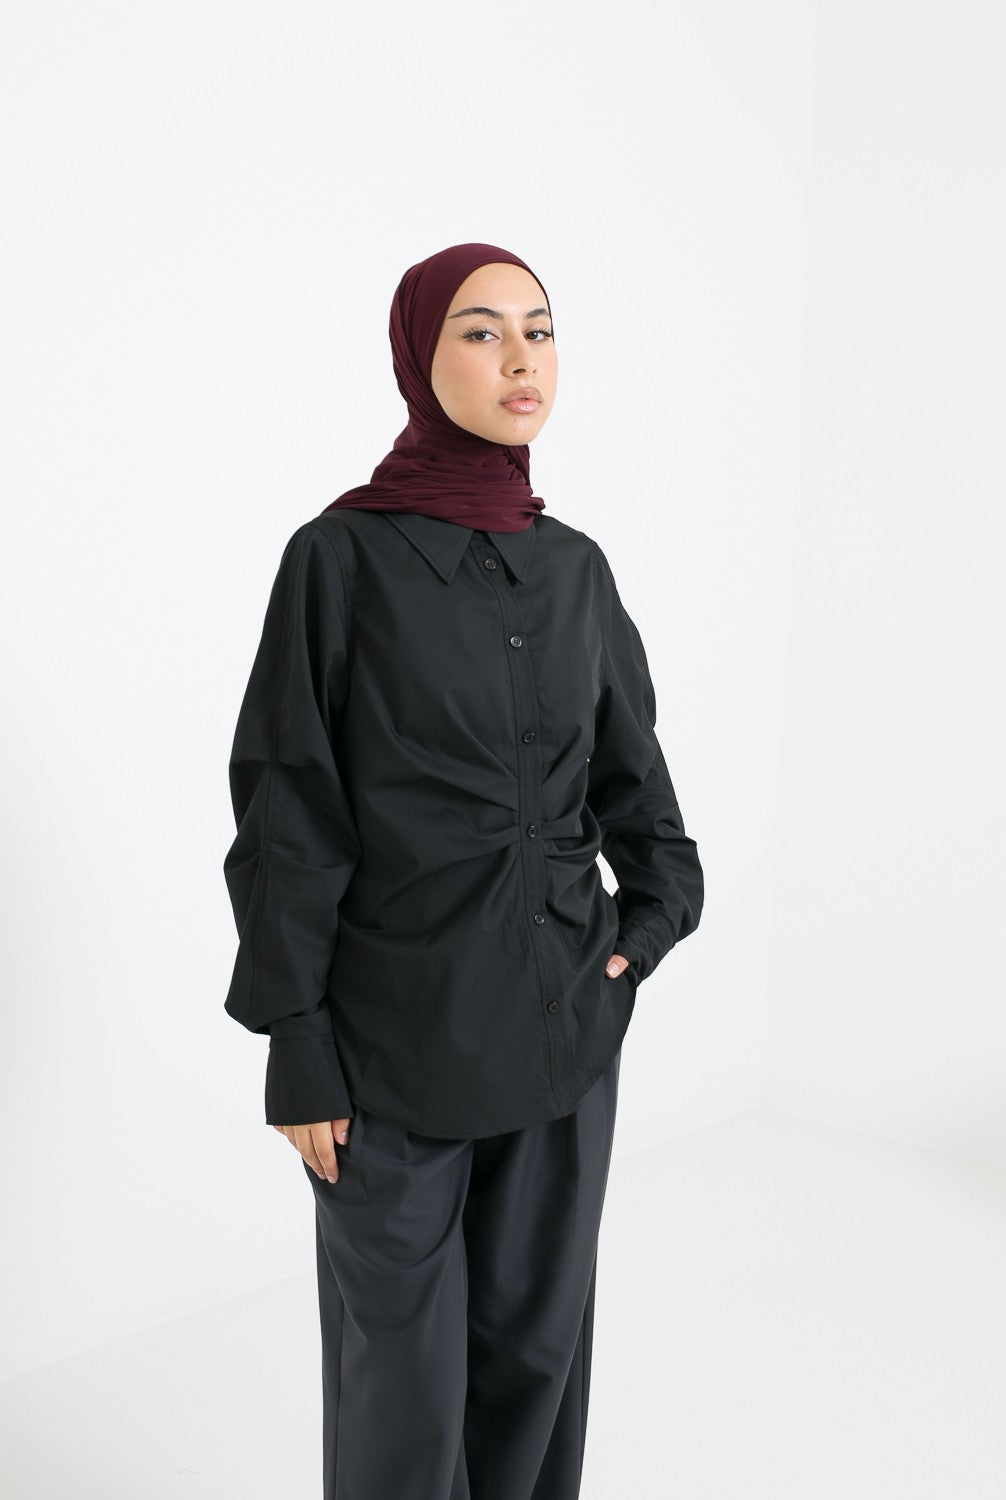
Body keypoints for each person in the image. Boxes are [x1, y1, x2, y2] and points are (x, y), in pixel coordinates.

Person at [222, 241, 704, 1500]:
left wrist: (637, 940)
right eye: (481, 332)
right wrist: (296, 1042)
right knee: (403, 1388)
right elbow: (287, 813)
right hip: (387, 1055)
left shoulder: (574, 569)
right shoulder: (338, 560)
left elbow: (640, 797)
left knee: (531, 1364)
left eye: (539, 330)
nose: (520, 359)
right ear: (418, 358)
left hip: (560, 1035)